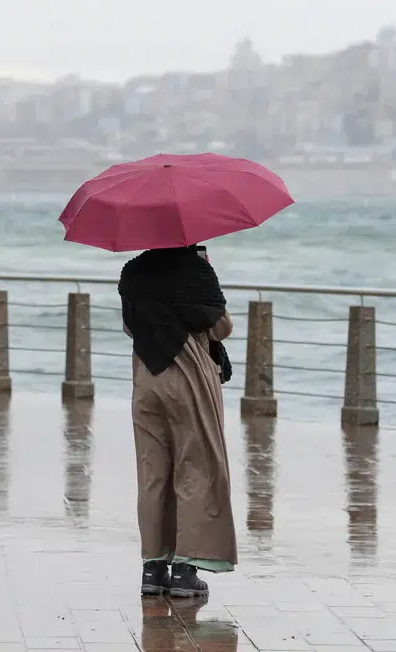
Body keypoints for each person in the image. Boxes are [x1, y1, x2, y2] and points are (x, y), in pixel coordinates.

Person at [117, 244, 235, 598]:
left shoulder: (132, 271)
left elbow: (128, 326)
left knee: (152, 473)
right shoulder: (195, 271)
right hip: (188, 379)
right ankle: (185, 571)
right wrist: (204, 274)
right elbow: (220, 328)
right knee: (196, 466)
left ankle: (152, 569)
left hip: (146, 380)